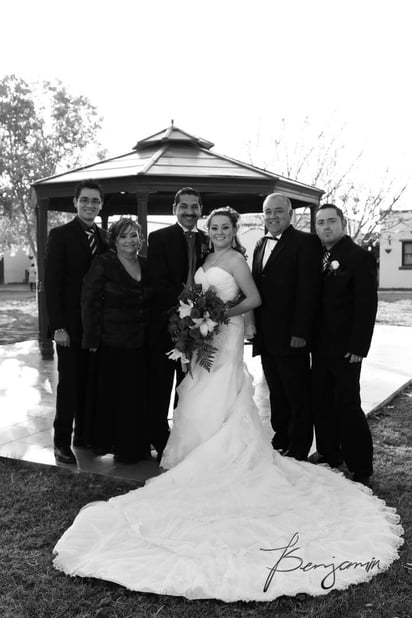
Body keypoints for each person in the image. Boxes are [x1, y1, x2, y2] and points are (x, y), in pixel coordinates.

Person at [53, 206, 402, 602]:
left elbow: (253, 297)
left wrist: (216, 314)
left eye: (224, 227)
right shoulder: (207, 259)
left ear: (234, 230)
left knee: (229, 392)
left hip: (227, 333)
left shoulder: (237, 258)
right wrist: (196, 319)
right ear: (209, 230)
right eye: (213, 227)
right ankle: (199, 450)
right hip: (206, 336)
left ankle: (258, 454)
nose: (218, 232)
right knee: (198, 392)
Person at [310, 204, 378, 486]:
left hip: (347, 348)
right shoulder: (317, 255)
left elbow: (366, 305)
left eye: (331, 222)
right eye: (320, 223)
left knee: (347, 404)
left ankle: (360, 465)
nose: (326, 227)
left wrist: (359, 346)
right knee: (322, 401)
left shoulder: (359, 257)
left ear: (343, 223)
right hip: (319, 345)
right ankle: (329, 454)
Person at [251, 193, 321, 460]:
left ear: (290, 214)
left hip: (293, 335)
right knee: (276, 392)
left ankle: (300, 446)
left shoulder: (306, 243)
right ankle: (281, 438)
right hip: (267, 336)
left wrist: (301, 332)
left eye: (278, 211)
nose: (272, 216)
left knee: (297, 394)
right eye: (268, 212)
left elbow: (308, 292)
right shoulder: (259, 244)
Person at [45, 179, 107, 465]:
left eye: (95, 201)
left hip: (96, 327)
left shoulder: (104, 237)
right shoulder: (60, 236)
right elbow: (53, 285)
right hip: (69, 326)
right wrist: (58, 327)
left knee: (90, 383)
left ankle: (83, 436)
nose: (90, 205)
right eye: (85, 200)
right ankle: (61, 443)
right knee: (69, 385)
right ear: (75, 202)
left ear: (100, 205)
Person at [81, 217, 152, 463]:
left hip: (141, 343)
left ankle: (136, 447)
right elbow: (89, 302)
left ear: (140, 238)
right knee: (115, 398)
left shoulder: (146, 263)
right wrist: (91, 338)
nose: (130, 240)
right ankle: (113, 445)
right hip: (112, 342)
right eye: (124, 236)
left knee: (136, 398)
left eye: (134, 235)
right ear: (114, 240)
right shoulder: (103, 264)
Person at [147, 187, 208, 461]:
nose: (189, 211)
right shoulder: (158, 238)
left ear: (200, 210)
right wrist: (186, 305)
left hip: (198, 326)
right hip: (165, 324)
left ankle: (183, 437)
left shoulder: (209, 240)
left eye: (194, 206)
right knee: (161, 384)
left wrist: (199, 312)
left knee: (189, 385)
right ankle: (159, 438)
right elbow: (157, 281)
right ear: (175, 209)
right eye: (184, 206)